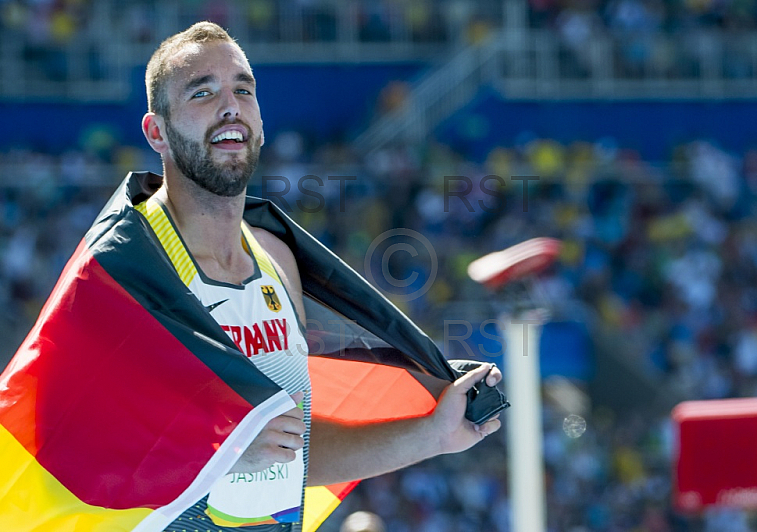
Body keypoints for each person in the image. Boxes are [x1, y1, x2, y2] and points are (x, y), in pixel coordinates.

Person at [0, 22, 504, 532]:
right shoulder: (121, 271)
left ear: (260, 122)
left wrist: (432, 436)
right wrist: (211, 450)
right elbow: (65, 445)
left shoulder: (277, 258)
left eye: (244, 89)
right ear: (157, 132)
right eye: (203, 92)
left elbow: (291, 450)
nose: (230, 104)